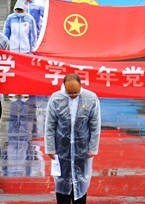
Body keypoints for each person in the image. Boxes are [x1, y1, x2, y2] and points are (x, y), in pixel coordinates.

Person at [45, 73, 101, 204]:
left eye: (75, 92)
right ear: (64, 88)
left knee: (80, 179)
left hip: (82, 148)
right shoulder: (56, 99)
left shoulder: (91, 98)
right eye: (69, 92)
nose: (73, 95)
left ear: (81, 86)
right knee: (62, 180)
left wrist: (92, 148)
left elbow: (95, 126)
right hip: (61, 148)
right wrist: (50, 148)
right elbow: (50, 125)